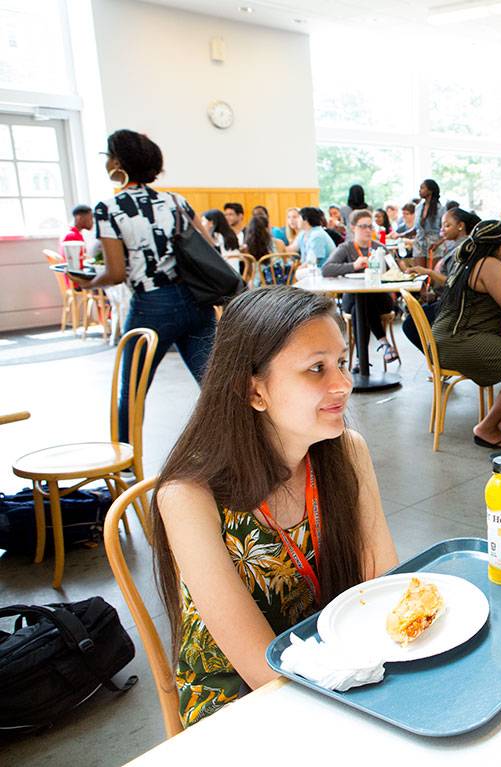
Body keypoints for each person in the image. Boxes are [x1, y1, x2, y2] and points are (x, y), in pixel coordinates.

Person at [152, 286, 398, 727]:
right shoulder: (189, 496)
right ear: (255, 392)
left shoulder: (346, 453)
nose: (343, 384)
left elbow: (383, 587)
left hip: (341, 669)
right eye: (316, 368)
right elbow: (261, 671)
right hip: (241, 706)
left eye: (341, 363)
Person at [72, 129, 218, 440]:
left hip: (152, 306)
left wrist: (87, 283)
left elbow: (114, 273)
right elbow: (209, 249)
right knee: (216, 387)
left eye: (107, 156)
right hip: (196, 301)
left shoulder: (108, 208)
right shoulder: (176, 201)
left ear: (117, 163)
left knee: (132, 392)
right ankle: (240, 454)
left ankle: (125, 460)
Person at [432, 221, 501, 449]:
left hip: (450, 336)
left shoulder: (473, 260)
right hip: (459, 340)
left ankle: (500, 419)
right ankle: (486, 427)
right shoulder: (489, 264)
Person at [322, 210, 400, 361]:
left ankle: (360, 360)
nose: (368, 230)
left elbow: (395, 271)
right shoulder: (346, 248)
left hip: (380, 299)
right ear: (353, 228)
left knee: (362, 303)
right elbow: (326, 269)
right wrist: (353, 265)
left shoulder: (379, 248)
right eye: (363, 226)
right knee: (360, 302)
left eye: (370, 226)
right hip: (352, 297)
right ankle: (384, 344)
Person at [401, 207, 480, 349]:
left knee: (410, 325)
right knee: (415, 319)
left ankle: (439, 357)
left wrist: (428, 272)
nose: (442, 230)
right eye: (442, 225)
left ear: (460, 226)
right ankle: (437, 357)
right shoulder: (455, 246)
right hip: (445, 300)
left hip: (455, 306)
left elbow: (455, 281)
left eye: (447, 225)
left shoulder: (465, 249)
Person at [413, 179, 443, 267]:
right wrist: (400, 234)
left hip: (434, 244)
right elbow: (416, 228)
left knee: (432, 273)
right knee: (419, 272)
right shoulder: (418, 208)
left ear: (430, 191)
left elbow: (445, 231)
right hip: (419, 243)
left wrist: (438, 243)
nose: (419, 190)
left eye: (422, 188)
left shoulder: (441, 209)